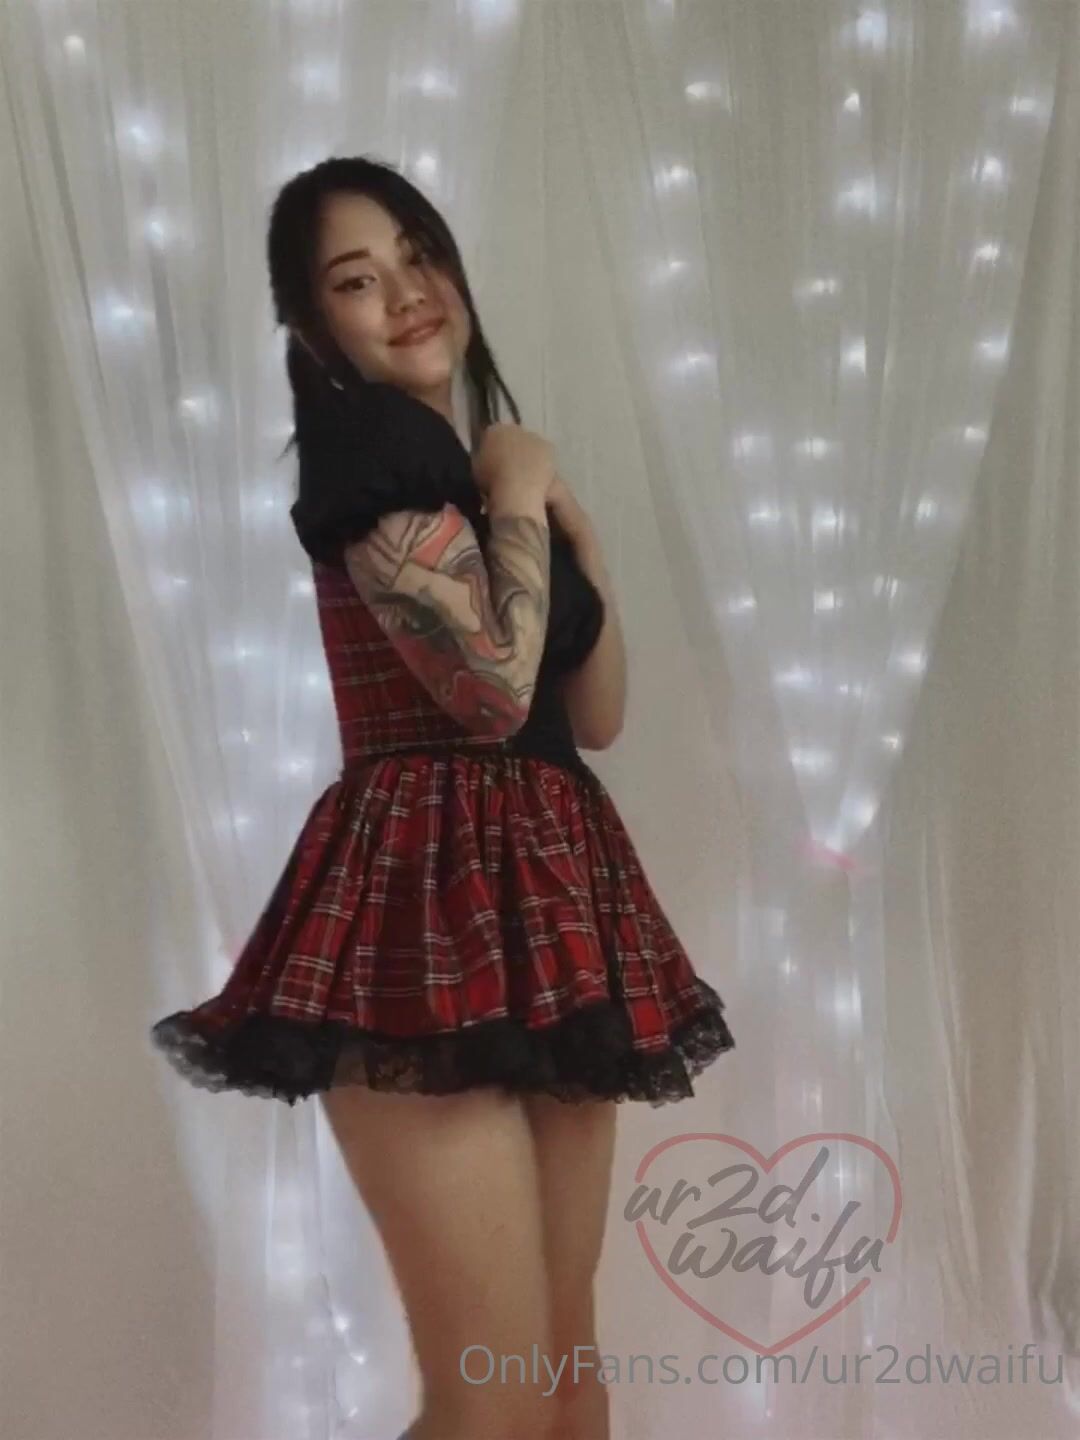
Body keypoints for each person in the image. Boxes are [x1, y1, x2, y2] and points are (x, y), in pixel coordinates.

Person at [151, 155, 735, 1440]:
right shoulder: (375, 450)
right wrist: (519, 491)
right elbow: (487, 693)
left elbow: (595, 717)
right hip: (424, 900)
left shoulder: (465, 468)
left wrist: (578, 536)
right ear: (315, 327)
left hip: (554, 893)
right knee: (494, 1396)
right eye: (358, 280)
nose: (407, 292)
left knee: (565, 1374)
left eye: (417, 255)